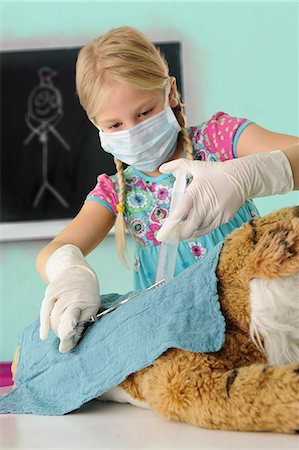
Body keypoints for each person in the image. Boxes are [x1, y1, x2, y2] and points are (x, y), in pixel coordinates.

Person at [36, 26, 298, 353]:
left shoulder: (219, 141)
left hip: (259, 328)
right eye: (115, 125)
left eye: (144, 112)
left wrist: (244, 175)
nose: (133, 132)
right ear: (96, 125)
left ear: (170, 92)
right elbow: (55, 249)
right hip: (177, 344)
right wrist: (69, 270)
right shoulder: (120, 192)